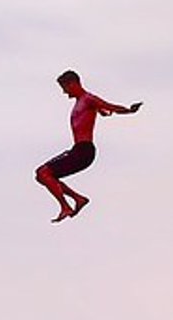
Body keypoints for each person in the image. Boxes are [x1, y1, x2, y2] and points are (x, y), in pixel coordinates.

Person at [35, 70, 141, 222]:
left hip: (84, 151)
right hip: (79, 150)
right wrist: (103, 112)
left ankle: (66, 206)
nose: (64, 92)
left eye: (64, 87)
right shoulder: (81, 103)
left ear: (73, 83)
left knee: (42, 173)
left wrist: (129, 110)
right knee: (43, 176)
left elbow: (108, 106)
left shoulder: (88, 99)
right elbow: (103, 111)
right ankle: (78, 199)